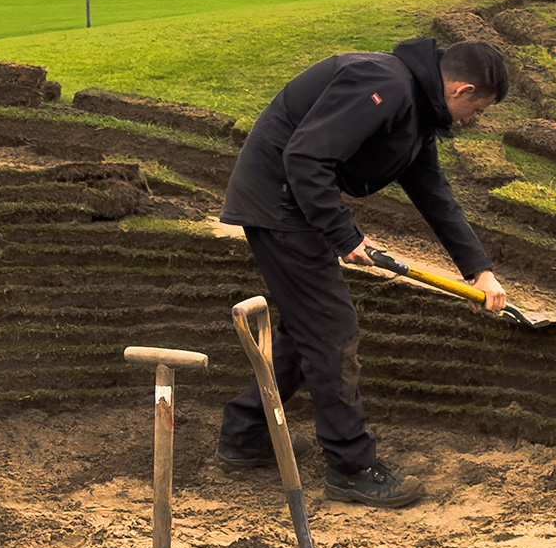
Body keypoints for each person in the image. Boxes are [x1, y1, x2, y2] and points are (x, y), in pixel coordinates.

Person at [217, 33, 512, 510]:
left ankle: (245, 435)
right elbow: (305, 157)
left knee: (309, 326)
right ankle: (351, 467)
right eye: (478, 110)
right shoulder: (384, 84)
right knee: (332, 329)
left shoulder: (414, 104)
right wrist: (344, 236)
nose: (475, 120)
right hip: (279, 204)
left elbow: (431, 190)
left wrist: (478, 269)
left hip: (294, 205)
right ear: (460, 90)